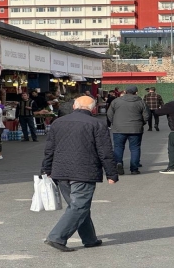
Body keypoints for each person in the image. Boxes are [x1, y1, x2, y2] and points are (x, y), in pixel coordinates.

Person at [41, 96, 118, 252]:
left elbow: (50, 149)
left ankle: (90, 239)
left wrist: (46, 169)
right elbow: (105, 152)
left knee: (77, 206)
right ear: (93, 108)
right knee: (79, 206)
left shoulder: (58, 122)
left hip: (61, 171)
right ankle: (57, 237)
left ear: (74, 106)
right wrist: (111, 173)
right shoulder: (97, 124)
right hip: (84, 171)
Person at [106, 85, 149, 175]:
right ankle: (134, 169)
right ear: (136, 92)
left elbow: (109, 114)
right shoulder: (141, 102)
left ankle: (118, 163)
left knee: (118, 147)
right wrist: (141, 123)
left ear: (125, 92)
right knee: (135, 148)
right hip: (135, 128)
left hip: (119, 128)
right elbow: (146, 116)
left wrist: (114, 122)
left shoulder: (116, 101)